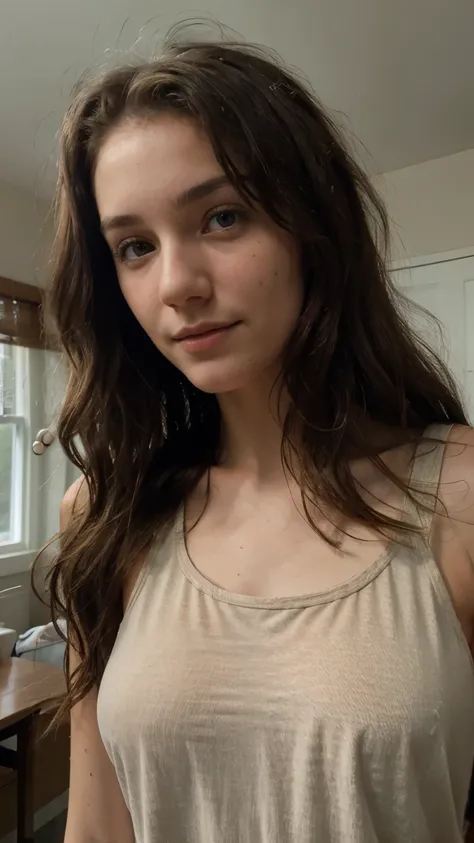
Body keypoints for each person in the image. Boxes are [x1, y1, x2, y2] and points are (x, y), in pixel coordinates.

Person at [43, 35, 474, 843]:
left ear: (314, 229)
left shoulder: (458, 492)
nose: (176, 283)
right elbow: (97, 826)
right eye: (135, 246)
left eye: (223, 216)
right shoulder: (105, 515)